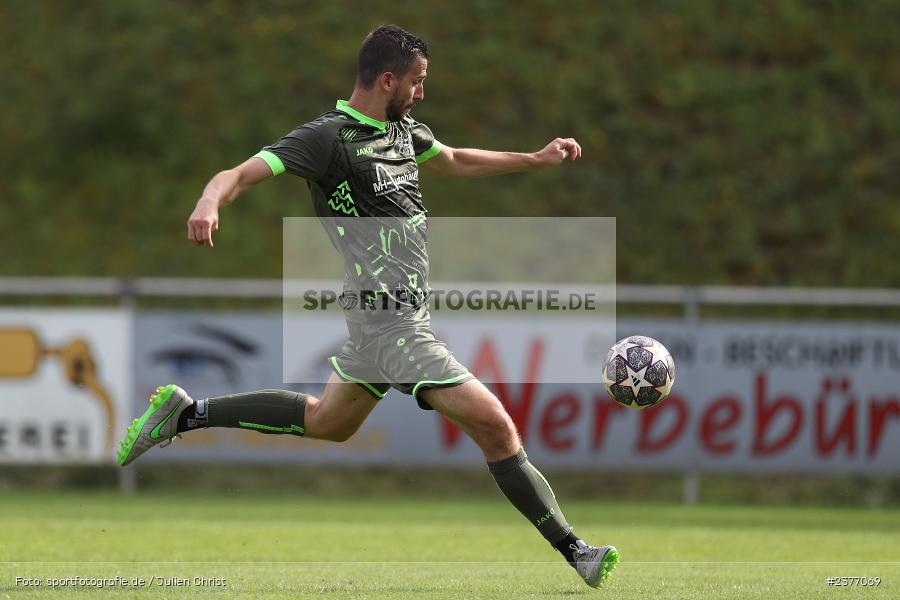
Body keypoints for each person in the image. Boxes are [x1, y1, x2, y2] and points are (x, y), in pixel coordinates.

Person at [117, 24, 618, 588]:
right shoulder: (327, 138)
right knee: (497, 427)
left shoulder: (403, 132)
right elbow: (238, 174)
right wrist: (209, 202)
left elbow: (454, 159)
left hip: (390, 321)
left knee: (328, 423)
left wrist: (533, 158)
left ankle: (185, 413)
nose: (421, 93)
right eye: (417, 82)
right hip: (392, 325)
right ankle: (577, 551)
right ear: (387, 80)